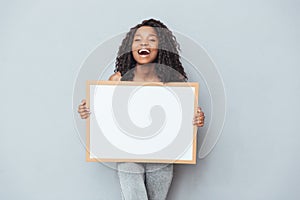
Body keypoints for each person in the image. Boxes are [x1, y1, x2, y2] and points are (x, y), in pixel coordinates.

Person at [78, 19, 205, 200]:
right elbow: (101, 111)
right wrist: (87, 109)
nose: (144, 43)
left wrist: (196, 118)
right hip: (127, 154)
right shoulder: (118, 80)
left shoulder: (174, 83)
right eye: (138, 39)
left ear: (161, 47)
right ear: (130, 47)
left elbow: (185, 120)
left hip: (162, 157)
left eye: (151, 39)